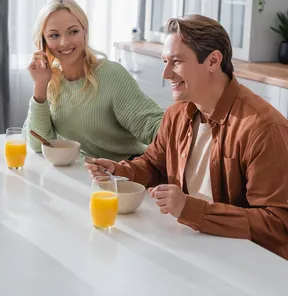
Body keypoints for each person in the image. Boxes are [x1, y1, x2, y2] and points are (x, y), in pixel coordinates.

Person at [85, 14, 288, 259]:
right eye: (164, 62)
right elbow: (153, 165)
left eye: (177, 62)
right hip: (188, 246)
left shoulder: (263, 129)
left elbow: (277, 224)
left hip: (242, 265)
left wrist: (190, 209)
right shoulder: (177, 115)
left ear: (213, 61)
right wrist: (121, 171)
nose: (166, 73)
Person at [23, 0, 163, 160]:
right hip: (87, 172)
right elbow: (38, 144)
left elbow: (151, 125)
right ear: (43, 41)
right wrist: (40, 87)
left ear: (85, 32)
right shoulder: (50, 80)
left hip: (127, 172)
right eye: (54, 35)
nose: (64, 42)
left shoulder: (111, 75)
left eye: (73, 32)